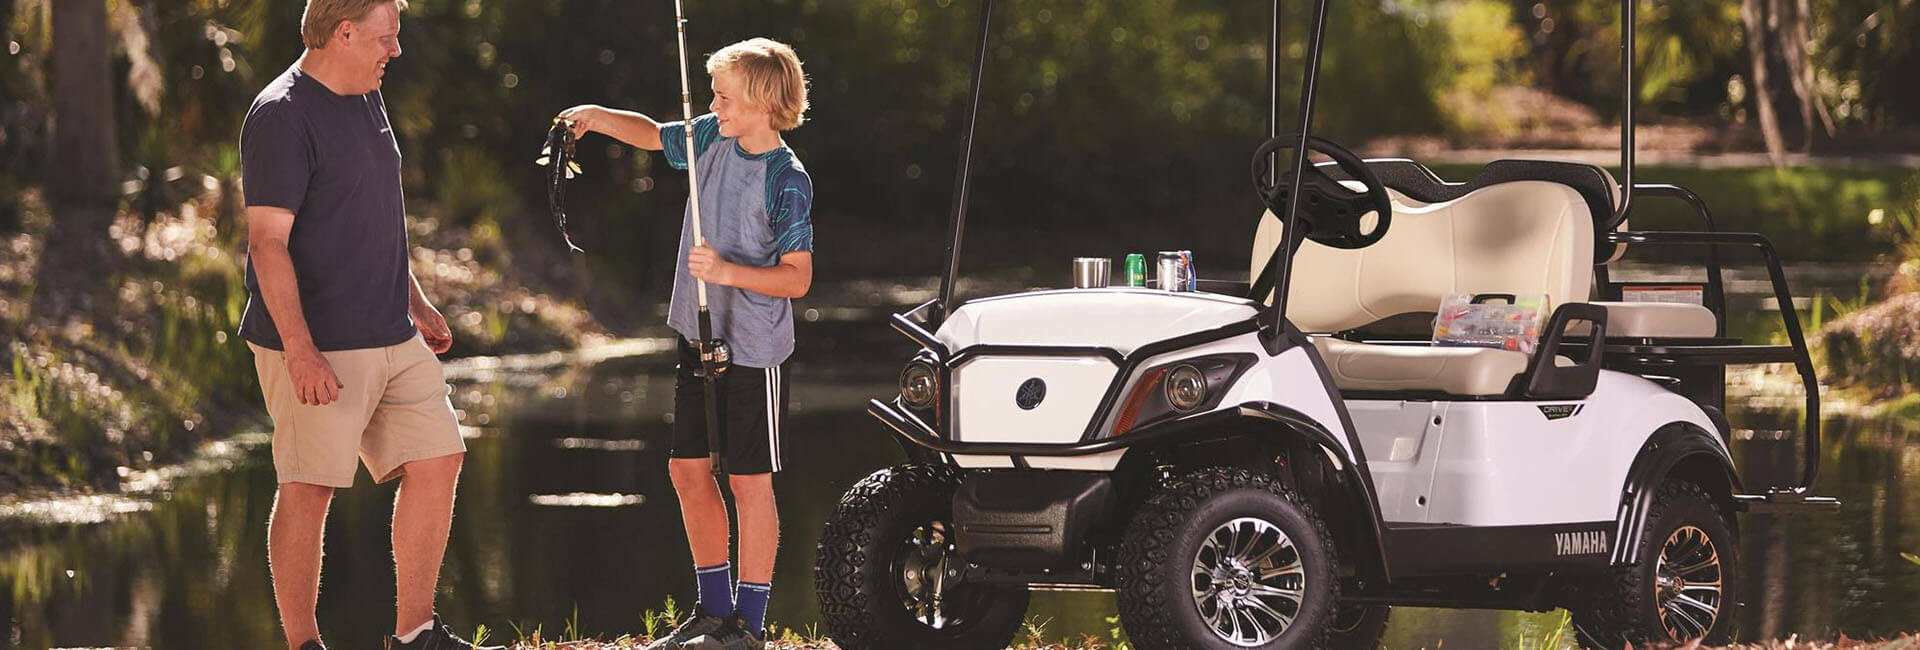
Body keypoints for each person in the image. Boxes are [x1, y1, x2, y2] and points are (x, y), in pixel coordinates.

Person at [238, 1, 496, 648]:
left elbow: (372, 212)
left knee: (439, 456)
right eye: (387, 38)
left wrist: (415, 301)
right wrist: (300, 350)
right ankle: (304, 643)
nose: (396, 51)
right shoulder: (281, 115)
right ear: (344, 32)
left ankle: (416, 633)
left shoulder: (365, 94)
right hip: (319, 342)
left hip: (390, 329)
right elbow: (267, 243)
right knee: (310, 487)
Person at [558, 36, 814, 650]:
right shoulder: (711, 138)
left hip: (754, 349)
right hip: (699, 336)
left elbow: (797, 278)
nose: (712, 105)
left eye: (724, 96)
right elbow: (652, 134)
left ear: (762, 102)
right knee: (687, 469)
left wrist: (725, 271)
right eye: (713, 95)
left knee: (749, 481)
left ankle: (748, 626)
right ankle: (713, 612)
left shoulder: (787, 179)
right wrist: (596, 117)